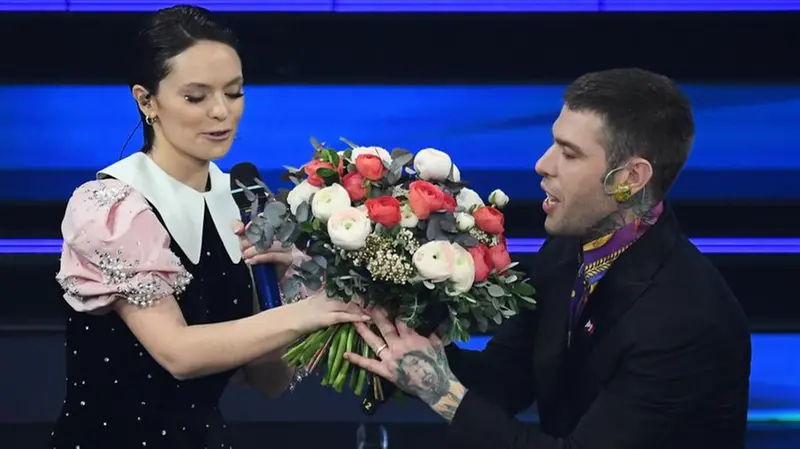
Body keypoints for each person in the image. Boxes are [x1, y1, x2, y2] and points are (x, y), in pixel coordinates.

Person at [345, 68, 752, 448]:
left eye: (569, 154)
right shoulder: (567, 250)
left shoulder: (683, 320)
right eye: (553, 143)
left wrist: (438, 390)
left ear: (630, 179)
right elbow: (503, 382)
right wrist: (391, 334)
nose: (542, 164)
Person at [50, 6, 368, 449]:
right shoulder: (111, 204)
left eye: (234, 93)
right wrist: (306, 312)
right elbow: (177, 354)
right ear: (147, 101)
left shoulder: (245, 200)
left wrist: (279, 291)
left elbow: (270, 382)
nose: (222, 113)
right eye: (195, 97)